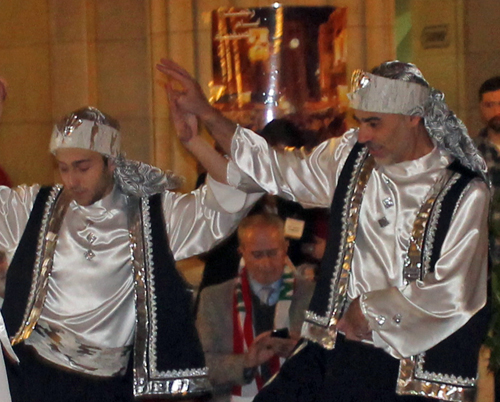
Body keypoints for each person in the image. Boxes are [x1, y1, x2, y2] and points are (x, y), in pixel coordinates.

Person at [157, 59, 490, 402]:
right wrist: (208, 116)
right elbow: (272, 168)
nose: (363, 135)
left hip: (411, 369)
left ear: (413, 117)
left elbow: (457, 291)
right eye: (359, 122)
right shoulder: (350, 157)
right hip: (335, 348)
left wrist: (371, 310)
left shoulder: (464, 191)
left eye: (374, 123)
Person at [0, 106, 259, 402]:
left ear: (111, 163)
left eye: (83, 167)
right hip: (39, 376)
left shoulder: (152, 215)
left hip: (112, 386)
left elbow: (237, 196)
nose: (72, 180)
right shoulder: (35, 207)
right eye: (63, 167)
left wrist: (194, 141)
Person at [196, 214, 314, 402]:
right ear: (241, 251)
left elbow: (333, 363)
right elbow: (201, 368)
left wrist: (301, 353)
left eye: (273, 253)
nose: (266, 264)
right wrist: (246, 362)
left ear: (286, 248)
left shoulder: (312, 295)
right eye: (257, 255)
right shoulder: (214, 298)